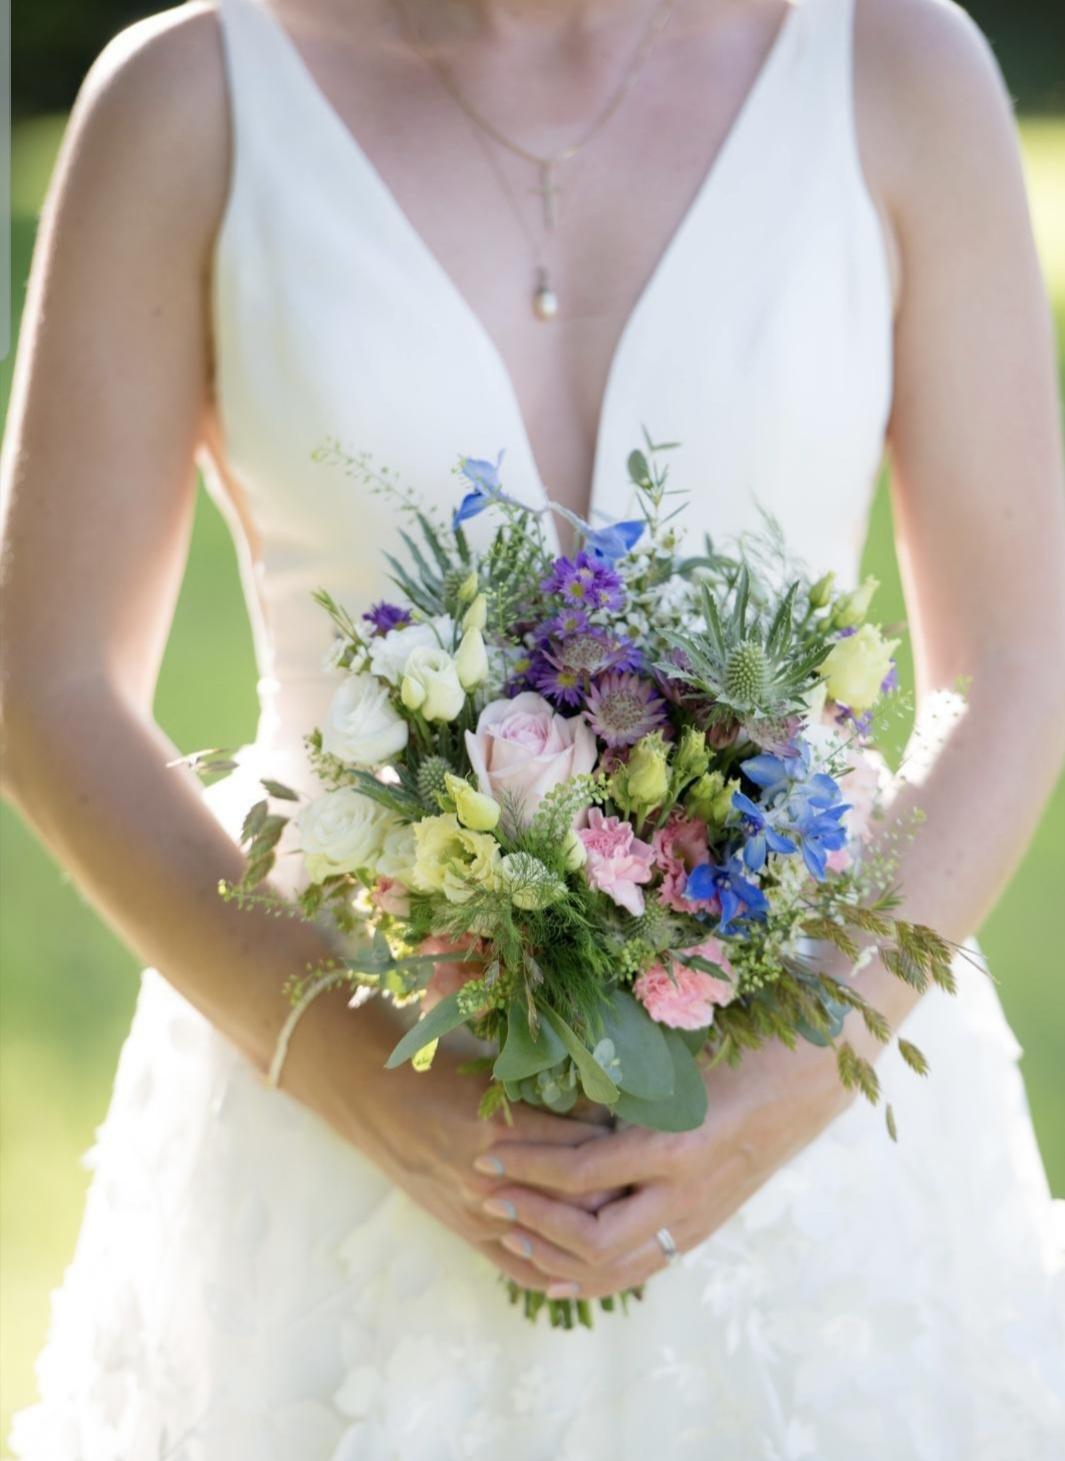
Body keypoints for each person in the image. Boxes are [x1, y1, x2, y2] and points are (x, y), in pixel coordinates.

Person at [2, 0, 1064, 1454]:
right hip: (325, 1124)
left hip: (817, 1122)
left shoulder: (894, 70)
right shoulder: (190, 99)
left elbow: (1015, 661)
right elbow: (47, 677)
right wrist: (365, 1083)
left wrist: (768, 1096)